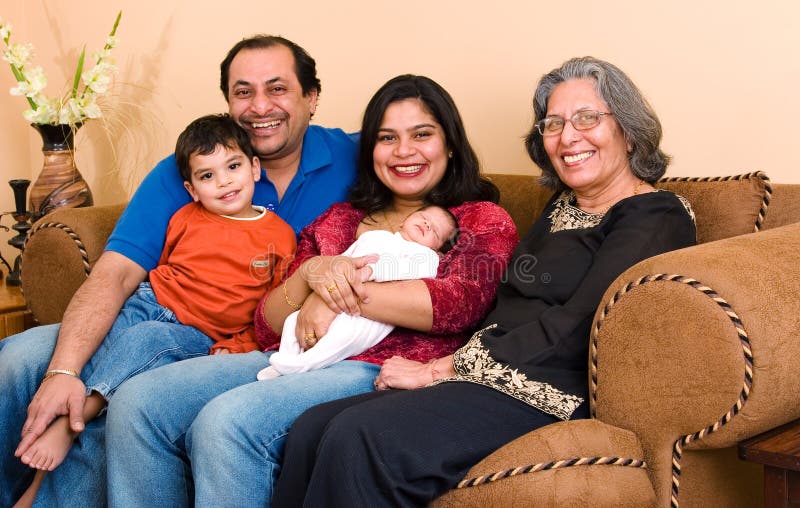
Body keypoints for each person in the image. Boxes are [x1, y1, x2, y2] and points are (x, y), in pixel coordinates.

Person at [270, 56, 699, 507]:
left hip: (546, 391)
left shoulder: (655, 213)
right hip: (487, 377)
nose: (568, 137)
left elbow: (580, 322)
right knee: (309, 430)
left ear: (628, 131)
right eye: (553, 124)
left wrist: (442, 368)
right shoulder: (562, 208)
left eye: (587, 118)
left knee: (357, 437)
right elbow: (507, 308)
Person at [104, 74, 517, 506]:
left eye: (422, 135)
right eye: (387, 137)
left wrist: (328, 296)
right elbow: (266, 325)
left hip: (376, 368)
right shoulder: (339, 218)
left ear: (449, 143)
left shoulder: (479, 219)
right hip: (289, 352)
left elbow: (461, 305)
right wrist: (311, 273)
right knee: (141, 402)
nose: (403, 151)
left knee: (226, 422)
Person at [0, 34, 357, 507]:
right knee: (21, 356)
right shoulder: (187, 167)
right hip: (159, 311)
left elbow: (427, 175)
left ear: (311, 98)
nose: (259, 106)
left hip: (237, 337)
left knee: (137, 386)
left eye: (278, 88)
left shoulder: (356, 158)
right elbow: (116, 273)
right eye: (243, 91)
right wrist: (63, 370)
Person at [13, 113, 296, 506]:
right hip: (150, 303)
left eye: (232, 167)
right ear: (191, 188)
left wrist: (240, 343)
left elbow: (269, 306)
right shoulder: (185, 217)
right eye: (207, 176)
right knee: (102, 350)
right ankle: (33, 489)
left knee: (145, 342)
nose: (225, 181)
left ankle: (73, 419)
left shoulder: (279, 235)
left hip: (196, 335)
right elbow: (159, 269)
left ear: (254, 167)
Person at [257, 205, 458, 380]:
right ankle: (286, 359)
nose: (426, 224)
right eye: (423, 217)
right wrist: (329, 279)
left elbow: (407, 269)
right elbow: (344, 258)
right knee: (294, 320)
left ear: (438, 249)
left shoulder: (426, 256)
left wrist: (371, 272)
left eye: (435, 231)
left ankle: (301, 366)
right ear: (404, 221)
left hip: (370, 314)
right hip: (335, 292)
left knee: (343, 338)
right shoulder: (374, 236)